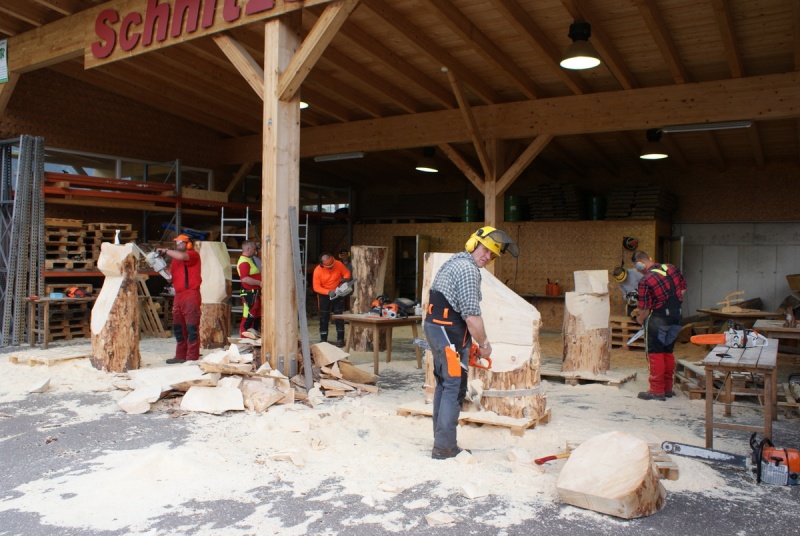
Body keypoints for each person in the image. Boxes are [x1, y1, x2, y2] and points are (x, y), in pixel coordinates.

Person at [424, 226, 519, 459]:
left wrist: (467, 344)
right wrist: (484, 344)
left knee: (444, 383)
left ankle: (441, 440)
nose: (487, 256)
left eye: (492, 254)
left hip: (438, 329)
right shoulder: (467, 270)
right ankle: (444, 448)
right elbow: (472, 317)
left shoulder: (455, 261)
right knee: (453, 386)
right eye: (485, 250)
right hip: (448, 333)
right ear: (473, 244)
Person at [632, 250, 687, 401]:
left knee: (655, 353)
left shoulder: (646, 280)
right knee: (668, 351)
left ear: (640, 264)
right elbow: (683, 289)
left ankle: (656, 390)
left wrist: (640, 320)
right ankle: (667, 389)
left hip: (658, 318)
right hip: (676, 316)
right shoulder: (672, 268)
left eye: (637, 267)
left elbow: (644, 308)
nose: (638, 270)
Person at [157, 234, 202, 364]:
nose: (179, 245)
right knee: (178, 327)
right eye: (177, 243)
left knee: (191, 327)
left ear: (188, 244)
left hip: (191, 294)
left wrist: (165, 251)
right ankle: (180, 355)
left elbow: (182, 256)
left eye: (181, 242)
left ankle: (192, 356)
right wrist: (160, 268)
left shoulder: (193, 255)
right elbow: (170, 278)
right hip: (179, 295)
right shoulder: (175, 260)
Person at [312, 252, 352, 347]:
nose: (331, 267)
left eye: (332, 265)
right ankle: (323, 339)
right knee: (324, 317)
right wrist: (328, 292)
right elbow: (316, 287)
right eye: (328, 267)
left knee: (339, 316)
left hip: (337, 292)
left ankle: (340, 339)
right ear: (322, 264)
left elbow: (347, 273)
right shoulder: (318, 270)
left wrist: (344, 280)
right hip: (324, 294)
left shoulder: (338, 263)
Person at [237, 240, 262, 338]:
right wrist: (259, 283)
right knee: (249, 315)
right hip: (248, 293)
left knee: (255, 314)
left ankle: (252, 336)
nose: (255, 251)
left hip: (253, 292)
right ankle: (244, 337)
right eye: (253, 249)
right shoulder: (244, 262)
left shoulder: (248, 260)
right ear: (248, 249)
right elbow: (244, 279)